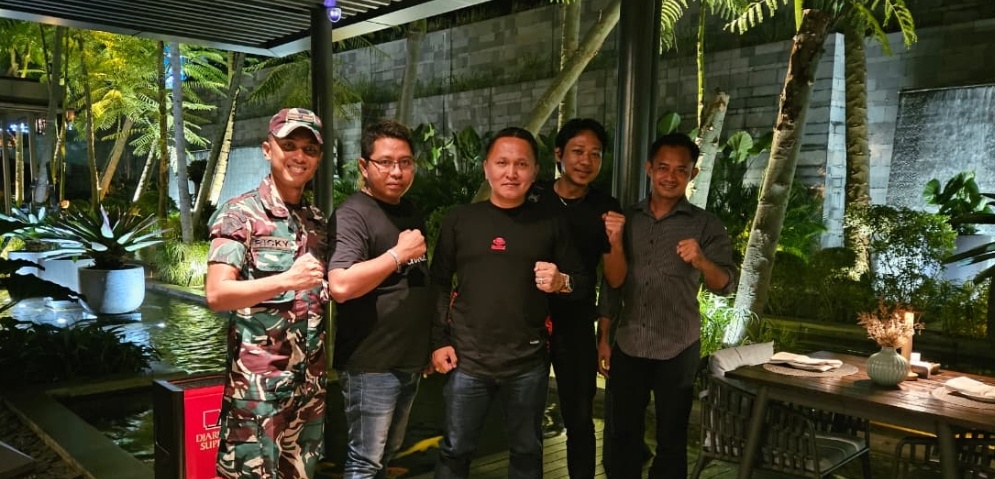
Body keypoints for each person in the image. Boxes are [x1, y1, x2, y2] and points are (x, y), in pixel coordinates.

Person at [429, 127, 589, 479]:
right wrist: (439, 341)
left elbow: (582, 284)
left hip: (527, 362)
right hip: (467, 359)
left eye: (521, 164)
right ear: (486, 167)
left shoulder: (550, 222)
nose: (511, 173)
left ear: (535, 171)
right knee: (455, 451)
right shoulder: (461, 219)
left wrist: (561, 281)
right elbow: (438, 282)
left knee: (527, 453)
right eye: (502, 163)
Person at [599, 132, 737, 479]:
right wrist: (603, 338)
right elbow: (612, 285)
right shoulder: (627, 218)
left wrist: (702, 261)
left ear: (693, 173)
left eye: (680, 170)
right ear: (649, 168)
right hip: (629, 341)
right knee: (622, 437)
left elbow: (725, 285)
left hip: (678, 345)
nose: (670, 176)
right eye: (663, 167)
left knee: (672, 440)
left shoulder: (705, 224)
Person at [205, 107, 330, 479]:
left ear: (318, 159)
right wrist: (286, 279)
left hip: (308, 389)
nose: (299, 156)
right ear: (267, 149)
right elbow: (217, 294)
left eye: (309, 149)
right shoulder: (240, 214)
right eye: (289, 145)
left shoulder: (317, 221)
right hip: (257, 394)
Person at [327, 119, 432, 479]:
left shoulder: (410, 210)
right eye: (385, 162)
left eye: (404, 162)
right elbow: (340, 285)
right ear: (364, 166)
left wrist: (426, 348)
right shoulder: (353, 214)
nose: (396, 171)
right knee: (365, 461)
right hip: (371, 363)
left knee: (387, 454)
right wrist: (397, 255)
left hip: (407, 360)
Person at [528, 118, 625, 479]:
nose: (586, 161)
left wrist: (616, 240)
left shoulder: (605, 206)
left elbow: (615, 279)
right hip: (529, 321)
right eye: (578, 151)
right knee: (525, 419)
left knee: (580, 419)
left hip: (576, 323)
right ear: (559, 154)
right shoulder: (533, 196)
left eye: (595, 154)